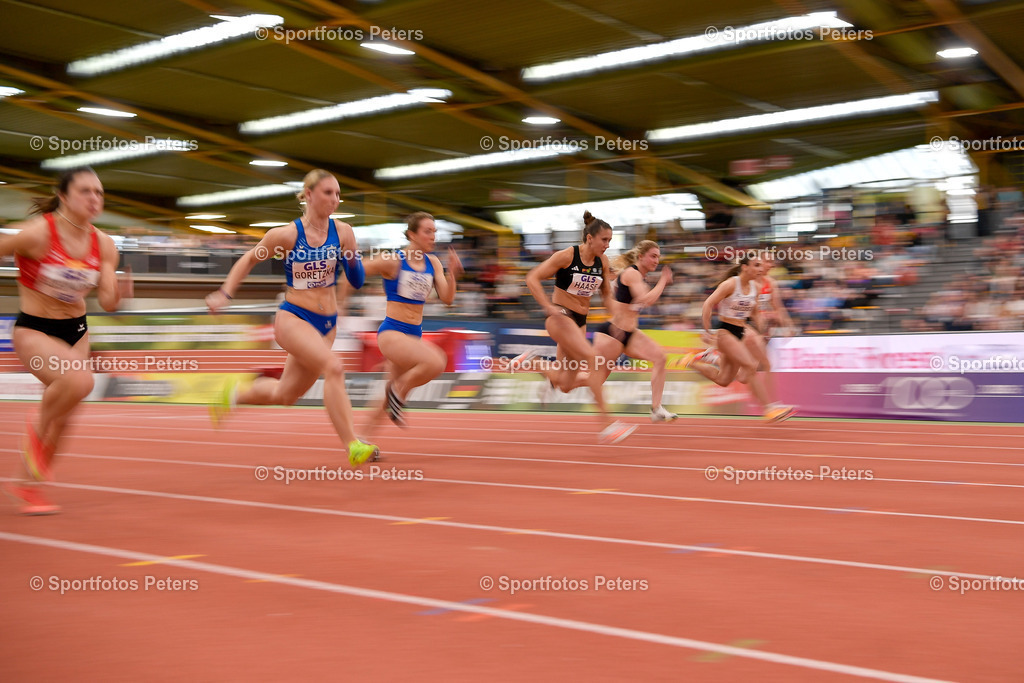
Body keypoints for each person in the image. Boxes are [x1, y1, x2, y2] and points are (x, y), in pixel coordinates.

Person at [205, 169, 379, 467]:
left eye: (338, 194)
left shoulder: (344, 232)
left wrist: (352, 260)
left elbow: (357, 278)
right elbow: (249, 259)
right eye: (328, 193)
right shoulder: (285, 235)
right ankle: (352, 444)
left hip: (327, 324)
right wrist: (224, 293)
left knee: (285, 395)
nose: (335, 199)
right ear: (308, 195)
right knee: (334, 367)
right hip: (293, 318)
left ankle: (234, 394)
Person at [1, 167, 126, 514]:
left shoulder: (104, 244)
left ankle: (28, 486)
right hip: (35, 330)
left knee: (66, 416)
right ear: (63, 196)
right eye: (86, 191)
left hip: (77, 331)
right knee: (80, 381)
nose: (94, 198)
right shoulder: (38, 233)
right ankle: (39, 416)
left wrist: (118, 292)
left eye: (99, 193)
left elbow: (108, 302)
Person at [519, 211, 636, 444]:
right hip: (561, 317)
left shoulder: (602, 262)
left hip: (580, 322)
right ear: (590, 238)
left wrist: (618, 317)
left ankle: (534, 362)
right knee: (592, 359)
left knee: (565, 385)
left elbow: (606, 296)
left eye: (610, 240)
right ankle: (608, 425)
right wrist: (547, 307)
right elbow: (532, 277)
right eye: (604, 240)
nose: (607, 245)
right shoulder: (567, 256)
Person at [361, 212, 461, 431]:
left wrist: (452, 274)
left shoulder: (433, 263)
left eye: (434, 232)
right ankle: (398, 391)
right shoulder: (395, 260)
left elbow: (447, 299)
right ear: (412, 235)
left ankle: (362, 439)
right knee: (436, 362)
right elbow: (360, 268)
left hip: (414, 334)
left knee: (385, 397)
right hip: (392, 332)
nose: (433, 236)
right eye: (427, 231)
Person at [687, 255, 795, 423]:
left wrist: (762, 330)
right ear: (745, 267)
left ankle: (691, 362)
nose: (760, 269)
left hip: (741, 332)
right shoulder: (730, 284)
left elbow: (755, 312)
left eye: (761, 265)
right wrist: (706, 330)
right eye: (756, 265)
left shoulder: (756, 288)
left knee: (724, 380)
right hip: (725, 333)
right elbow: (708, 304)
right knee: (750, 366)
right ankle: (769, 409)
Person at [590, 240, 677, 422]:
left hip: (629, 333)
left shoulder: (638, 277)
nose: (656, 261)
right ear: (641, 256)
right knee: (595, 379)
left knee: (660, 358)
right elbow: (646, 300)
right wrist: (663, 281)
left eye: (658, 257)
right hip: (612, 334)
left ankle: (656, 409)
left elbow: (627, 301)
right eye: (653, 256)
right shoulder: (632, 273)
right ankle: (557, 379)